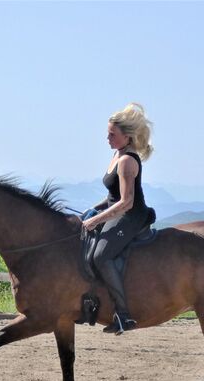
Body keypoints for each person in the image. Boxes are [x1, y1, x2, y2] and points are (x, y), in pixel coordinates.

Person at [82, 103, 154, 335]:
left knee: (101, 255)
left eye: (112, 134)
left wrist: (95, 220)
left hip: (131, 215)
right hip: (118, 210)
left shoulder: (127, 161)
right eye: (108, 133)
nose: (107, 138)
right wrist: (90, 211)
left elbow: (125, 202)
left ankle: (123, 315)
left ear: (127, 136)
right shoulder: (117, 155)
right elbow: (111, 197)